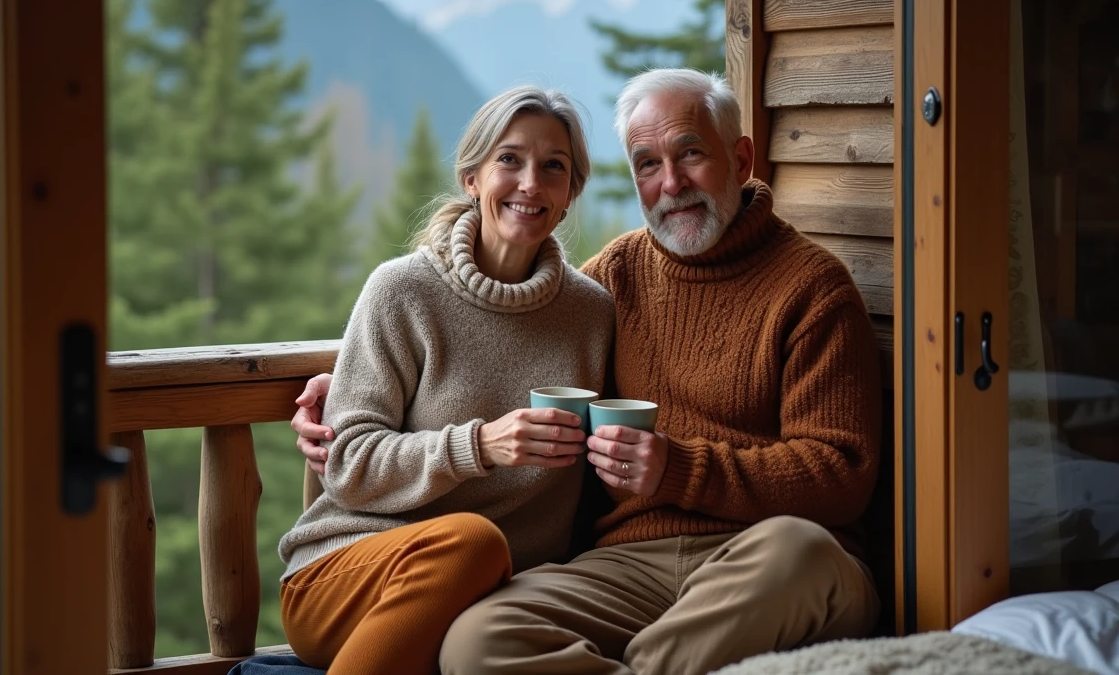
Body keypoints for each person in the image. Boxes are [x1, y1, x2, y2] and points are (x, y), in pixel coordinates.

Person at [295, 68, 883, 673]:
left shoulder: (813, 290)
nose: (672, 183)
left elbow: (842, 472)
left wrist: (678, 469)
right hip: (630, 568)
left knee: (801, 551)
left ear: (741, 158)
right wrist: (339, 381)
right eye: (647, 164)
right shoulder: (613, 283)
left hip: (764, 555)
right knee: (478, 640)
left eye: (690, 155)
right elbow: (493, 318)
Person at [277, 85, 614, 675]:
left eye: (552, 167)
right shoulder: (402, 291)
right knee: (472, 541)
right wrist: (479, 445)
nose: (530, 183)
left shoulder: (593, 313)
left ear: (569, 194)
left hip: (498, 604)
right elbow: (348, 464)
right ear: (471, 177)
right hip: (349, 574)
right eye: (509, 159)